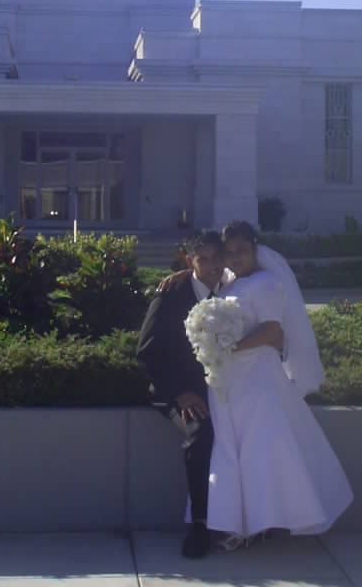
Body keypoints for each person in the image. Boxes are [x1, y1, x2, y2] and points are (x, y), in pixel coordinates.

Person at [207, 220, 354, 548]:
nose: (235, 258)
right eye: (229, 252)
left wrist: (229, 347)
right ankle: (238, 521)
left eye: (241, 251)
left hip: (258, 382)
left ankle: (258, 523)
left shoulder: (267, 284)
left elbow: (274, 334)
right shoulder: (230, 284)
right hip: (231, 382)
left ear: (255, 249)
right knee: (235, 452)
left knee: (259, 453)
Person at [136, 231, 227, 559]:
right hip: (172, 389)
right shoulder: (171, 293)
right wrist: (181, 393)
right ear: (191, 262)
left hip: (218, 389)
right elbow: (146, 352)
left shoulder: (230, 290)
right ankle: (200, 527)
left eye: (219, 259)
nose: (213, 266)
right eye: (204, 260)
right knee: (201, 434)